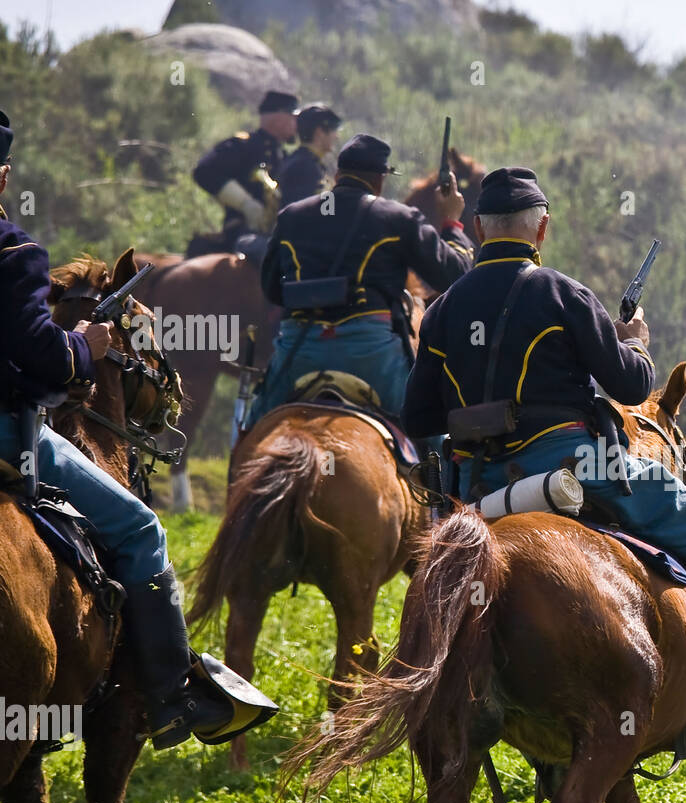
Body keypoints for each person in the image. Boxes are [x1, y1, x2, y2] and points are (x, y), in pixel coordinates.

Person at [402, 166, 686, 735]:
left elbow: (417, 416)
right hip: (575, 465)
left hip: (477, 488)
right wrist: (637, 344)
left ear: (475, 227)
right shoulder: (563, 293)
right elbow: (629, 387)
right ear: (541, 230)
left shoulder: (443, 310)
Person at [0, 107, 275, 748]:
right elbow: (42, 356)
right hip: (11, 437)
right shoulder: (12, 252)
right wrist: (85, 345)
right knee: (140, 528)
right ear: (4, 174)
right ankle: (171, 698)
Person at [249, 133, 473, 426]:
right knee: (429, 428)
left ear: (337, 175)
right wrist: (452, 222)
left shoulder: (291, 216)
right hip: (372, 354)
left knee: (252, 429)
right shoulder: (399, 218)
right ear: (380, 180)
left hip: (298, 350)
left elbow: (272, 290)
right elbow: (456, 276)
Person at [192, 89, 299, 268]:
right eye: (293, 117)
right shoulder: (246, 145)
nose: (297, 123)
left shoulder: (283, 155)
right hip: (242, 233)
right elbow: (205, 171)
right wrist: (245, 204)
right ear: (279, 117)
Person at [278, 103, 342, 209]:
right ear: (320, 132)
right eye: (334, 129)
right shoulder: (303, 167)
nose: (337, 136)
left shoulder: (309, 162)